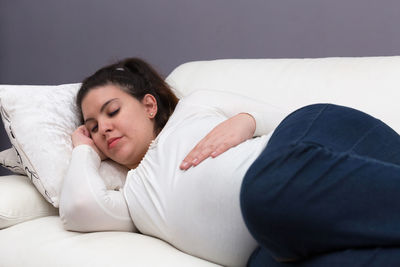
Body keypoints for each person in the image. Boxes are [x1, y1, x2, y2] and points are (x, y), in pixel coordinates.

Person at [59, 58, 400, 266]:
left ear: (149, 105)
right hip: (278, 247)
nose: (103, 128)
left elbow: (292, 119)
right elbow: (78, 207)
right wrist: (82, 150)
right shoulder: (131, 197)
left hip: (326, 146)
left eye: (112, 111)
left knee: (263, 196)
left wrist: (247, 121)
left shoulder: (194, 107)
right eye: (92, 127)